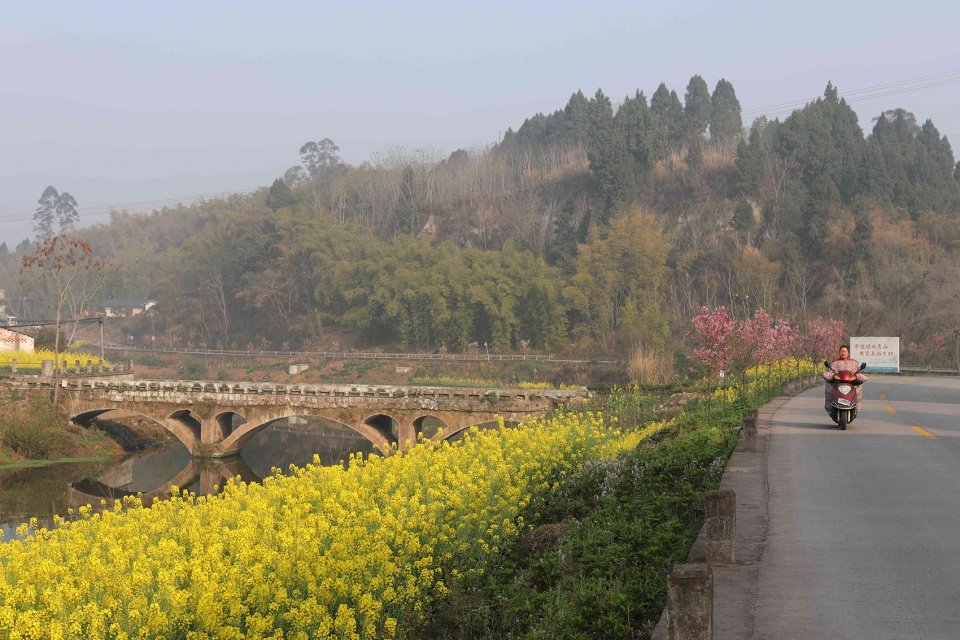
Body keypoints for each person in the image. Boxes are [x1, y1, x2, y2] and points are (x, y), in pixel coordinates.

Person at [822, 344, 867, 411]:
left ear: (848, 352)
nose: (843, 353)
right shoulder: (834, 363)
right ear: (839, 352)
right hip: (838, 383)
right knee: (829, 386)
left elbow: (857, 372)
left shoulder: (853, 363)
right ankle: (830, 407)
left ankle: (856, 407)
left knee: (859, 387)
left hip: (851, 383)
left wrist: (855, 377)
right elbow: (830, 372)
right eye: (841, 351)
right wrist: (833, 376)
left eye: (845, 351)